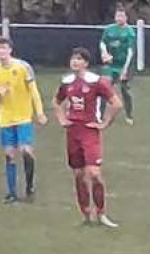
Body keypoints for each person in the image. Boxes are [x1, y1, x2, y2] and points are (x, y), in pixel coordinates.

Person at [53, 47, 122, 228]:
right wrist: (62, 119)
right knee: (78, 175)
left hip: (89, 131)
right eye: (73, 58)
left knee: (94, 174)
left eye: (78, 59)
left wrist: (105, 122)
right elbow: (57, 101)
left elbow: (116, 103)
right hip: (72, 132)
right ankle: (85, 213)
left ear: (85, 63)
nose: (74, 62)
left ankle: (101, 213)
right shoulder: (66, 82)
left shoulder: (96, 82)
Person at [0, 36, 47, 204]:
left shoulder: (23, 67)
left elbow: (34, 91)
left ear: (10, 50)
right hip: (5, 119)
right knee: (9, 155)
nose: (0, 52)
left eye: (3, 48)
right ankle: (12, 192)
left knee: (25, 150)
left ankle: (29, 186)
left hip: (23, 117)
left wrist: (40, 112)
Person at [100, 4, 137, 125]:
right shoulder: (109, 29)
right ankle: (100, 116)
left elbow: (130, 52)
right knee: (104, 88)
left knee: (125, 89)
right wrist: (105, 53)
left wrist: (125, 69)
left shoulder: (129, 32)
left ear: (126, 18)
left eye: (122, 15)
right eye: (117, 15)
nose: (119, 18)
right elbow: (102, 43)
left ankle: (129, 115)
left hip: (124, 65)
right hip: (111, 65)